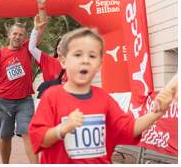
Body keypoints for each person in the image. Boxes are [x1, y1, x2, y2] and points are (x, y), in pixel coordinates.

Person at [28, 28, 176, 164]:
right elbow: (40, 139)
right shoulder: (52, 97)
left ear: (99, 65)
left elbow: (130, 129)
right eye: (78, 54)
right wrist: (62, 129)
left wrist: (157, 112)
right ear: (63, 61)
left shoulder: (104, 100)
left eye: (92, 56)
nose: (85, 60)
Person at [0, 20, 46, 163]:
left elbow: (40, 34)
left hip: (25, 101)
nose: (17, 37)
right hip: (4, 102)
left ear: (24, 38)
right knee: (5, 136)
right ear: (9, 35)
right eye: (15, 34)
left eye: (21, 35)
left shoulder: (27, 48)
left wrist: (41, 13)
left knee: (28, 132)